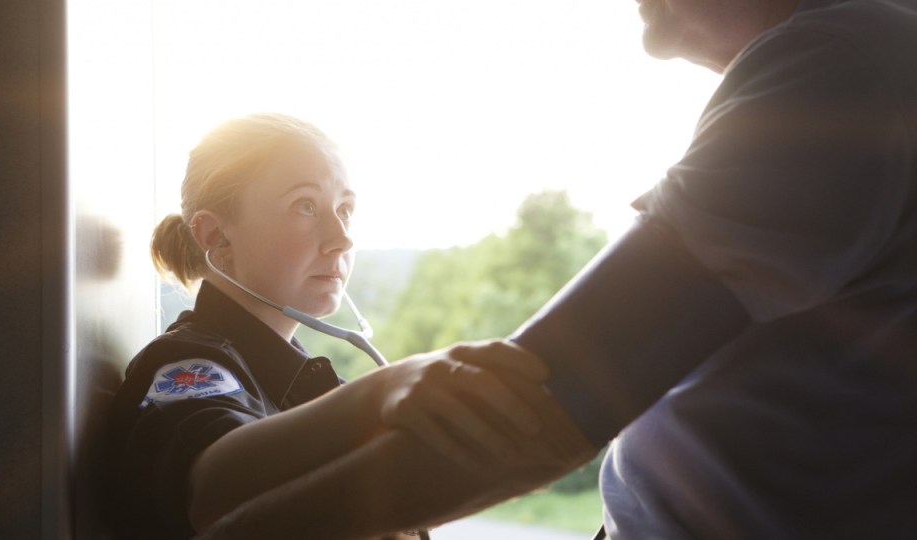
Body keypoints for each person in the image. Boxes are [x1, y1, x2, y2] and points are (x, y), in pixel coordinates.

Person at [200, 0, 917, 538]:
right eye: (301, 207)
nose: (656, 39)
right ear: (214, 239)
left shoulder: (844, 65)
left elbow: (539, 409)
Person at [106, 112, 593, 539]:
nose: (341, 239)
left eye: (345, 210)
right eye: (305, 206)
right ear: (217, 236)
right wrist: (383, 391)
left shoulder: (311, 388)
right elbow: (213, 486)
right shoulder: (188, 364)